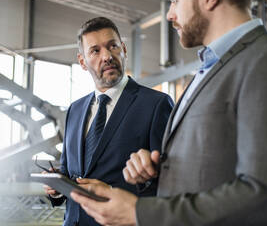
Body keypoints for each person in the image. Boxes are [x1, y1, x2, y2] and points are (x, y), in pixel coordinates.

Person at [70, 0, 267, 225]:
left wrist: (139, 212)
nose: (169, 14)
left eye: (175, 0)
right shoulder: (213, 67)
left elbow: (263, 195)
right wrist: (153, 170)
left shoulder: (263, 62)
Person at [44, 17, 174, 226]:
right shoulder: (74, 110)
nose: (106, 56)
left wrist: (113, 193)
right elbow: (69, 173)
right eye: (95, 51)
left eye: (112, 46)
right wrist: (57, 190)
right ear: (82, 62)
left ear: (123, 49)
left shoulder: (156, 104)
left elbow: (169, 182)